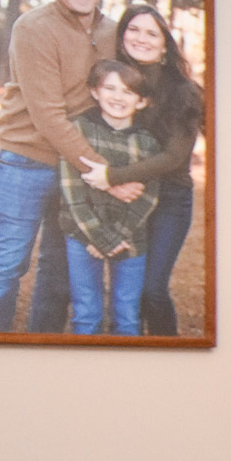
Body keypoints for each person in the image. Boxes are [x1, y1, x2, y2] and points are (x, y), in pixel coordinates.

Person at [0, 0, 115, 333]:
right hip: (27, 161)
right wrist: (107, 171)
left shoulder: (113, 31)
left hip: (76, 168)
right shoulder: (33, 27)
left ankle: (42, 349)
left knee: (60, 271)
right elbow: (48, 116)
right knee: (5, 266)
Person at [85, 5, 204, 335]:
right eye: (133, 30)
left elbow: (174, 157)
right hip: (125, 197)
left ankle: (171, 351)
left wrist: (112, 177)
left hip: (168, 199)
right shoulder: (113, 82)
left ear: (165, 44)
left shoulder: (184, 91)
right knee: (127, 294)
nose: (142, 39)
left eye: (152, 33)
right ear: (122, 36)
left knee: (152, 290)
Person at [58, 60, 160, 336]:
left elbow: (148, 197)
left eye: (128, 91)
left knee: (127, 316)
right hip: (83, 236)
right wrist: (99, 237)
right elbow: (72, 193)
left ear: (141, 101)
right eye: (110, 88)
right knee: (86, 313)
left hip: (130, 238)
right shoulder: (78, 131)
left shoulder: (148, 143)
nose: (118, 97)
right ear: (95, 91)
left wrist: (116, 237)